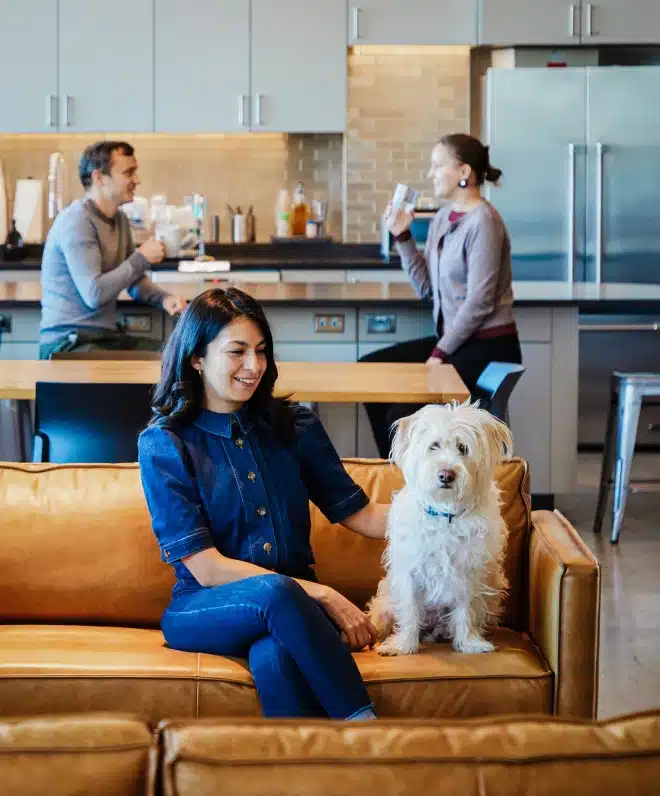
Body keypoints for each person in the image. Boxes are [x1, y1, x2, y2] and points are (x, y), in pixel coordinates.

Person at [138, 287, 389, 719]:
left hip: (293, 611)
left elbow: (362, 515)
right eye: (237, 352)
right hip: (204, 606)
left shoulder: (295, 427)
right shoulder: (165, 444)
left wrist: (445, 513)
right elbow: (208, 567)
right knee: (277, 592)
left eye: (261, 351)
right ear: (197, 357)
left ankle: (297, 776)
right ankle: (368, 733)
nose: (254, 366)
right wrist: (323, 594)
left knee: (275, 653)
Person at [361, 133, 522, 459]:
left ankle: (411, 488)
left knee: (398, 418)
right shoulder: (440, 220)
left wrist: (439, 352)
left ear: (464, 172)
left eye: (437, 166)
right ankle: (400, 483)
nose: (430, 173)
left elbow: (481, 301)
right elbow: (427, 289)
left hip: (487, 346)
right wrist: (402, 236)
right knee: (370, 370)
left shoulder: (484, 221)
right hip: (457, 343)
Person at [39, 140, 188, 358]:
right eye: (128, 173)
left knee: (176, 356)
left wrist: (164, 298)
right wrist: (141, 258)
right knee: (166, 364)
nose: (137, 180)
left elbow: (133, 280)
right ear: (98, 177)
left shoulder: (119, 219)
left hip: (101, 338)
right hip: (67, 343)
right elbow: (94, 294)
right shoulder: (77, 221)